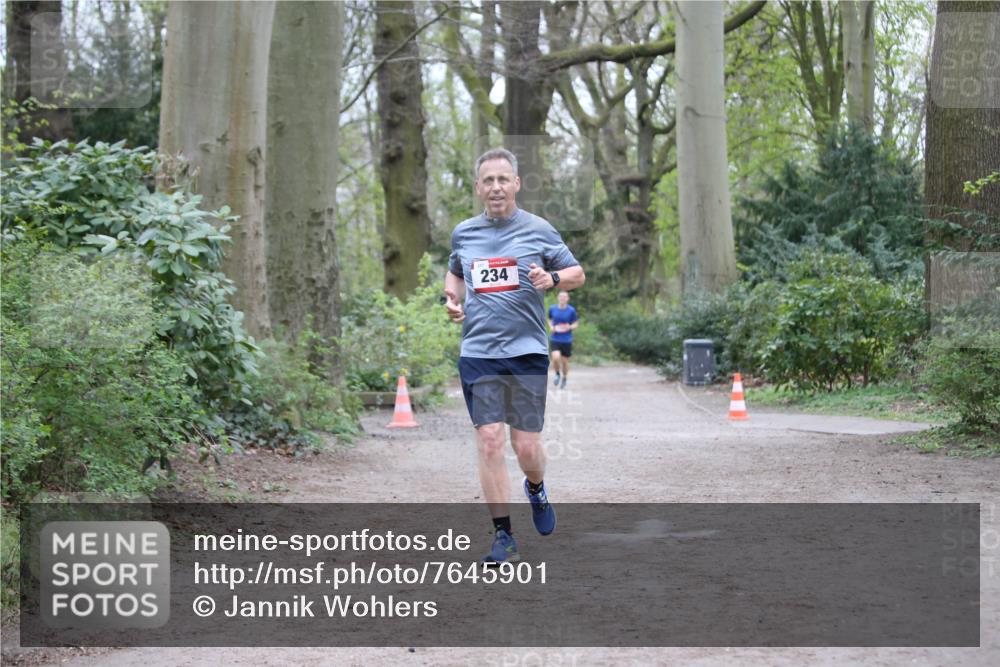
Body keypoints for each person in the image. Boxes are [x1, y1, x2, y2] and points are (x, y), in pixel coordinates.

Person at [443, 148, 585, 564]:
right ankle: (503, 535)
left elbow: (577, 273)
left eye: (503, 179)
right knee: (489, 440)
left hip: (526, 352)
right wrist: (452, 298)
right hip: (478, 352)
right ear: (478, 188)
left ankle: (537, 489)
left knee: (526, 448)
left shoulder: (539, 230)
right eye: (488, 180)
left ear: (517, 184)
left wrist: (552, 276)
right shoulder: (464, 233)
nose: (496, 187)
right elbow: (455, 272)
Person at [548, 290, 578, 389]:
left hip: (566, 339)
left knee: (564, 362)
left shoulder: (571, 310)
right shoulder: (552, 308)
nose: (562, 298)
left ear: (567, 299)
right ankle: (557, 374)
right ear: (558, 298)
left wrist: (569, 327)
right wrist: (551, 327)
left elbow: (575, 324)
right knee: (555, 358)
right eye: (561, 296)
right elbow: (550, 319)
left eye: (564, 297)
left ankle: (564, 377)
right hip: (555, 337)